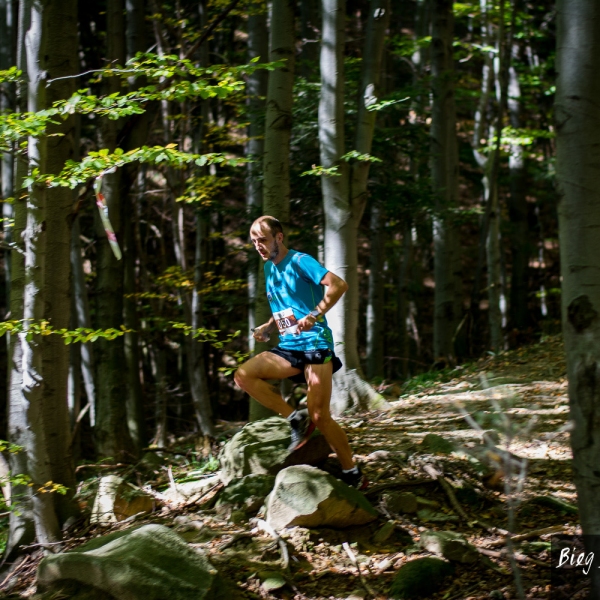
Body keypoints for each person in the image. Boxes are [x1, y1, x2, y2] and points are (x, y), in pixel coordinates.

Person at [234, 215, 367, 489]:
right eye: (254, 242)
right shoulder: (269, 268)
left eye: (263, 240)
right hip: (289, 347)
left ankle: (352, 473)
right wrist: (269, 326)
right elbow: (285, 305)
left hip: (315, 344)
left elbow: (339, 284)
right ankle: (295, 418)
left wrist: (315, 314)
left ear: (279, 237)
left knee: (320, 416)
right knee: (243, 375)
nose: (258, 246)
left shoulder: (300, 261)